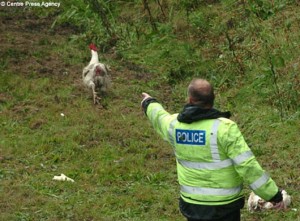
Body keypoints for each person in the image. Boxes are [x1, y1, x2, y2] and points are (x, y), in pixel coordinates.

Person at [141, 78, 284, 221]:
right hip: (225, 206)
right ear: (213, 99)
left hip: (192, 204)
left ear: (189, 99)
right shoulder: (225, 128)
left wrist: (149, 103)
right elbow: (247, 166)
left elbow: (159, 117)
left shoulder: (175, 126)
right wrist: (273, 195)